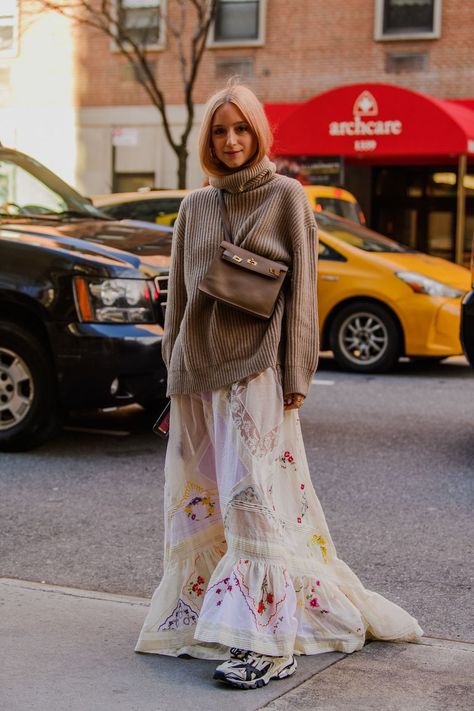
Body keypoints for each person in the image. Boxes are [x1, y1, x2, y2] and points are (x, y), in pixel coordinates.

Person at [135, 82, 423, 690]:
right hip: (198, 376)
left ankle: (268, 642)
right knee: (205, 500)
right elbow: (181, 301)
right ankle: (210, 620)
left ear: (260, 132)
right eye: (220, 131)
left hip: (256, 374)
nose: (232, 140)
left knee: (254, 500)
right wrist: (174, 370)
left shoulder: (287, 197)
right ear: (208, 141)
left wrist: (298, 374)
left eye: (242, 128)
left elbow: (301, 298)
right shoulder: (195, 206)